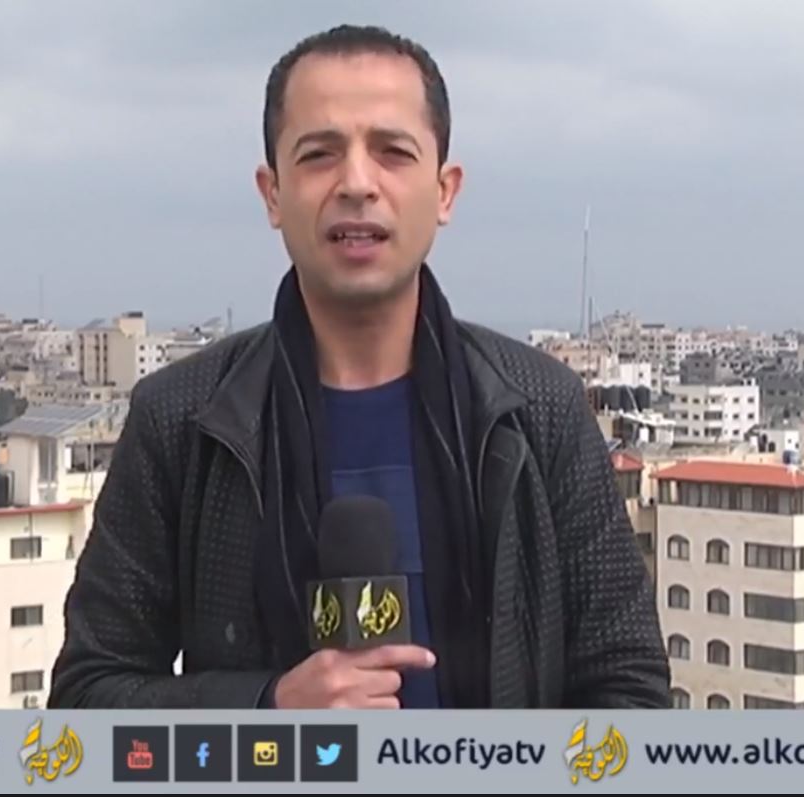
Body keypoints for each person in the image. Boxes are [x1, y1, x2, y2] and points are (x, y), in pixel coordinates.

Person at [48, 24, 669, 710]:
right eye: (319, 155)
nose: (356, 183)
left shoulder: (537, 410)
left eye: (392, 152)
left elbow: (628, 686)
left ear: (445, 191)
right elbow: (88, 697)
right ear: (272, 193)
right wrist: (268, 713)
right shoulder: (185, 420)